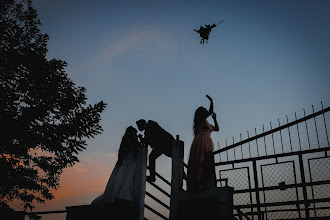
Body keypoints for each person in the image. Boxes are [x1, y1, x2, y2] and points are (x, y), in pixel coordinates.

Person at [91, 126, 140, 207]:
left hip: (128, 162)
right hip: (127, 162)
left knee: (123, 178)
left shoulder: (127, 141)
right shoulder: (130, 141)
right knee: (123, 178)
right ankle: (121, 194)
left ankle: (120, 193)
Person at [187, 95, 219, 191]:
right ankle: (199, 182)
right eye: (204, 109)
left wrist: (215, 119)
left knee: (206, 161)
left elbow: (217, 129)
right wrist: (211, 101)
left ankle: (205, 181)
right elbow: (210, 111)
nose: (206, 109)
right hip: (201, 140)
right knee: (200, 160)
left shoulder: (206, 122)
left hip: (207, 140)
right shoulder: (200, 120)